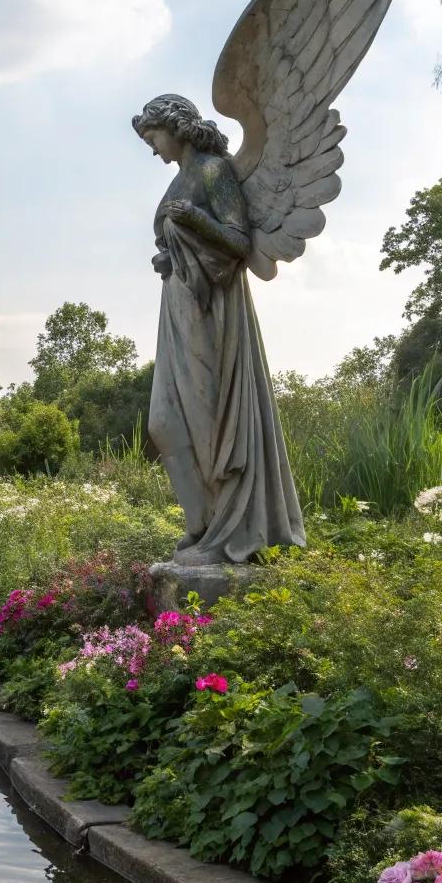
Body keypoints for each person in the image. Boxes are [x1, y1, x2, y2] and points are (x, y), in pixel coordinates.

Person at [132, 93, 305, 565]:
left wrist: (195, 220)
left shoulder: (214, 170)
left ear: (175, 127)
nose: (152, 148)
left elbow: (237, 240)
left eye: (153, 137)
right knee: (165, 422)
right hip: (179, 300)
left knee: (210, 421)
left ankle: (225, 535)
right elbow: (183, 241)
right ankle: (202, 527)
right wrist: (169, 254)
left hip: (215, 308)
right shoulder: (177, 181)